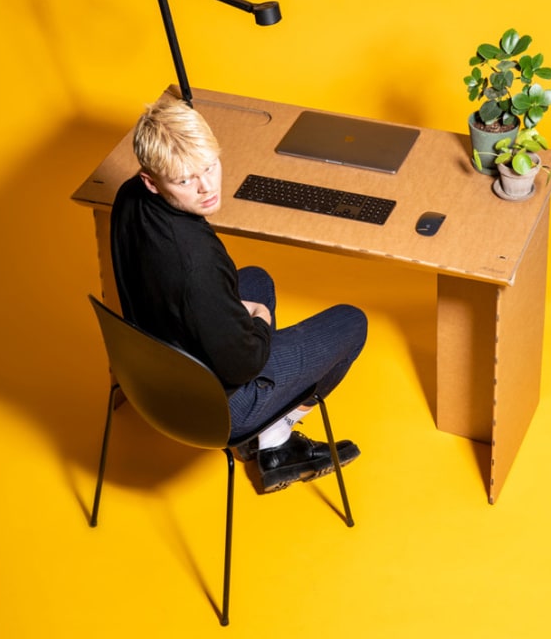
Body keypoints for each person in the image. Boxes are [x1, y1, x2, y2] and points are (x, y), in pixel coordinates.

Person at [110, 97, 367, 493]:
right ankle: (274, 441)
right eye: (184, 180)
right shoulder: (195, 264)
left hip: (156, 375)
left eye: (210, 166)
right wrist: (259, 318)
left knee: (256, 278)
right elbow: (243, 364)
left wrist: (224, 307)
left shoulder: (129, 196)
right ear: (151, 181)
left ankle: (266, 434)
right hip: (214, 409)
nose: (207, 187)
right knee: (352, 323)